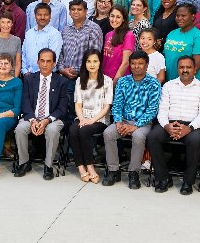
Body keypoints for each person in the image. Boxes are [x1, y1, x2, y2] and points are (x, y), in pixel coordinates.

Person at [146, 56, 200, 194]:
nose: (185, 70)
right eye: (182, 67)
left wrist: (190, 128)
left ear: (194, 69)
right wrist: (166, 126)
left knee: (195, 141)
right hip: (170, 123)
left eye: (188, 67)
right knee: (153, 136)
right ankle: (163, 178)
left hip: (192, 125)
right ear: (177, 69)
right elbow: (162, 110)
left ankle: (188, 181)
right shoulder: (169, 86)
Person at [14, 48, 73, 180]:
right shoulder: (29, 79)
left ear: (54, 64)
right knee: (20, 129)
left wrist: (46, 120)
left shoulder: (61, 81)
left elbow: (63, 108)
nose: (45, 64)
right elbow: (25, 103)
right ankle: (24, 162)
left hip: (53, 118)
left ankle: (48, 166)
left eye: (48, 61)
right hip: (32, 117)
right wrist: (33, 120)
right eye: (42, 61)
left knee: (52, 130)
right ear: (38, 62)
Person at [105, 52, 162, 188]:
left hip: (143, 123)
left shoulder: (154, 84)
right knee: (108, 133)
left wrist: (135, 126)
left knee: (138, 136)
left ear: (147, 65)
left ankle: (133, 173)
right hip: (123, 121)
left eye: (140, 63)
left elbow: (152, 110)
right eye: (133, 63)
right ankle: (113, 170)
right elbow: (117, 104)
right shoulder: (123, 82)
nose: (136, 66)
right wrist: (118, 122)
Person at [67, 50, 113, 184]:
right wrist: (82, 119)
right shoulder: (80, 81)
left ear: (100, 63)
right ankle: (81, 168)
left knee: (83, 130)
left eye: (95, 61)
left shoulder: (107, 81)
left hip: (99, 119)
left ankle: (90, 166)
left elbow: (107, 107)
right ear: (84, 64)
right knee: (73, 130)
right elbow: (78, 105)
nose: (92, 64)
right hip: (83, 118)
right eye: (88, 61)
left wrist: (92, 120)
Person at [58, 0, 103, 79]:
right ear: (69, 12)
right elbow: (61, 52)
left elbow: (94, 55)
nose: (76, 12)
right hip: (64, 76)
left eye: (79, 9)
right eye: (73, 9)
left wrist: (75, 70)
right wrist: (62, 69)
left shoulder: (94, 29)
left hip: (84, 77)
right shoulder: (66, 30)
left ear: (86, 11)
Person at [161, 4, 200, 82]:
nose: (179, 18)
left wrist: (180, 84)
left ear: (193, 16)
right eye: (177, 15)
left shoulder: (199, 37)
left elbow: (196, 66)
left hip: (188, 84)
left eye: (183, 16)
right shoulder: (172, 34)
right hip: (170, 82)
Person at [22, 3, 63, 77]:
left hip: (45, 76)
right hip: (27, 75)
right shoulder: (29, 33)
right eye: (39, 15)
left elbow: (53, 59)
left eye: (46, 15)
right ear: (35, 16)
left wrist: (38, 75)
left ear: (50, 16)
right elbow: (23, 54)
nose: (42, 17)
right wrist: (25, 71)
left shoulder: (55, 34)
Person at [102, 8, 136, 82]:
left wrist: (114, 83)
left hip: (119, 81)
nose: (114, 19)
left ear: (123, 19)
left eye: (118, 17)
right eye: (112, 16)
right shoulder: (108, 34)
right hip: (105, 78)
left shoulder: (129, 35)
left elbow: (125, 63)